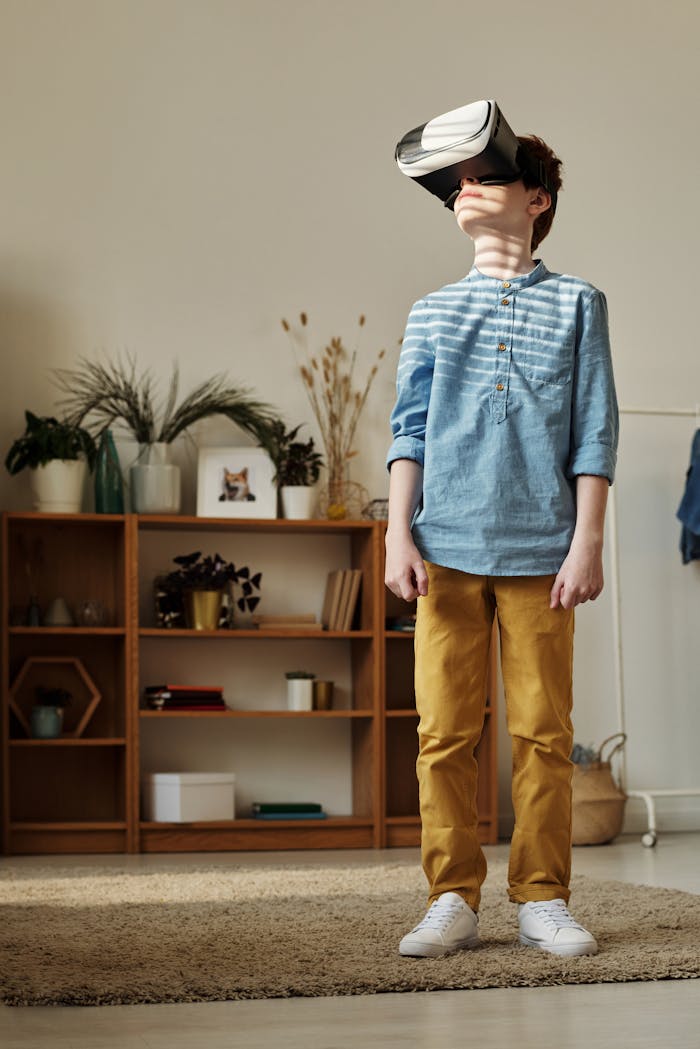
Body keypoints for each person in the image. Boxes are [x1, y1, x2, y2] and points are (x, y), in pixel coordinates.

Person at [385, 133, 619, 959]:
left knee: (543, 733)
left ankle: (543, 897)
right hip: (444, 551)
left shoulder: (580, 304)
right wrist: (397, 534)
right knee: (443, 734)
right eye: (458, 183)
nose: (467, 190)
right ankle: (450, 895)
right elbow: (408, 432)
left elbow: (594, 431)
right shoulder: (430, 311)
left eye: (488, 176)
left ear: (537, 198)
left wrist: (588, 541)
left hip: (543, 554)